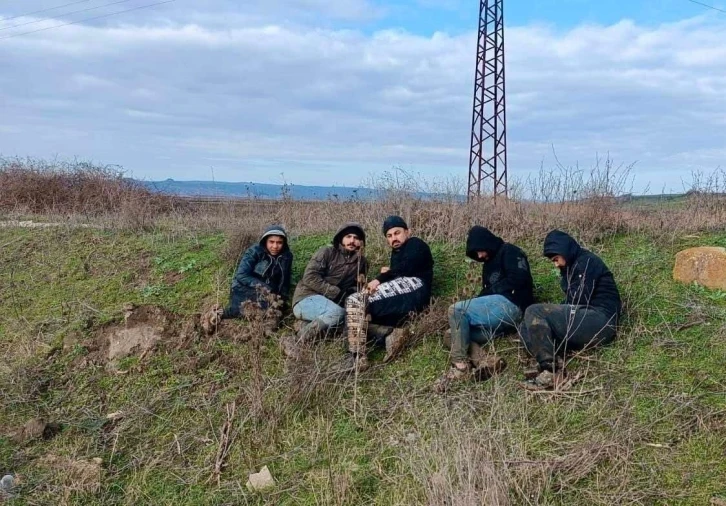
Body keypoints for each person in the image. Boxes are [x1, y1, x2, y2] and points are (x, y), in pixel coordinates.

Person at [434, 226, 534, 392]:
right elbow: (486, 294)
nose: (480, 256)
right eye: (476, 254)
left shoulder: (510, 251)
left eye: (480, 251)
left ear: (487, 242)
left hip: (513, 306)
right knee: (451, 334)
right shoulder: (487, 264)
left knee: (456, 310)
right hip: (499, 323)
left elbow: (520, 278)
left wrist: (487, 294)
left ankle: (460, 367)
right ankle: (487, 361)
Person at [520, 230, 621, 389]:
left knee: (535, 311)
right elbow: (571, 304)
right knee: (525, 326)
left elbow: (578, 299)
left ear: (564, 250)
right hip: (585, 320)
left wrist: (550, 313)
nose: (556, 264)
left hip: (600, 321)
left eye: (556, 259)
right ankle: (554, 360)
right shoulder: (572, 267)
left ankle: (550, 371)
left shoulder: (586, 262)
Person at [342, 215, 434, 371]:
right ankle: (390, 334)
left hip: (416, 288)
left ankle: (358, 358)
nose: (394, 238)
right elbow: (397, 273)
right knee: (354, 314)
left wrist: (381, 278)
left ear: (408, 231)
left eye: (397, 233)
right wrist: (388, 274)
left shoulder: (416, 244)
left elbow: (407, 267)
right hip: (404, 298)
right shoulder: (396, 253)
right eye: (389, 236)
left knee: (356, 301)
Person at [201, 225, 293, 334]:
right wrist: (264, 289)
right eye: (271, 242)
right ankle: (219, 313)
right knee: (253, 309)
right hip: (244, 286)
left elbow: (285, 280)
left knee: (276, 311)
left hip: (269, 291)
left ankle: (266, 324)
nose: (275, 246)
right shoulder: (254, 252)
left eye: (279, 243)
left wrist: (282, 298)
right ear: (265, 241)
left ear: (284, 243)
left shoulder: (287, 256)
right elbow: (242, 275)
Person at [289, 223, 368, 343]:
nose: (352, 240)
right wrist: (336, 292)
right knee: (337, 313)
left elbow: (355, 286)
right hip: (306, 297)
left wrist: (359, 284)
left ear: (361, 242)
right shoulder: (327, 252)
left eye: (356, 238)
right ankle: (296, 341)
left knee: (352, 320)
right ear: (341, 238)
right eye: (348, 236)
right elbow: (310, 277)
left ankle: (305, 324)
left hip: (330, 302)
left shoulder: (362, 262)